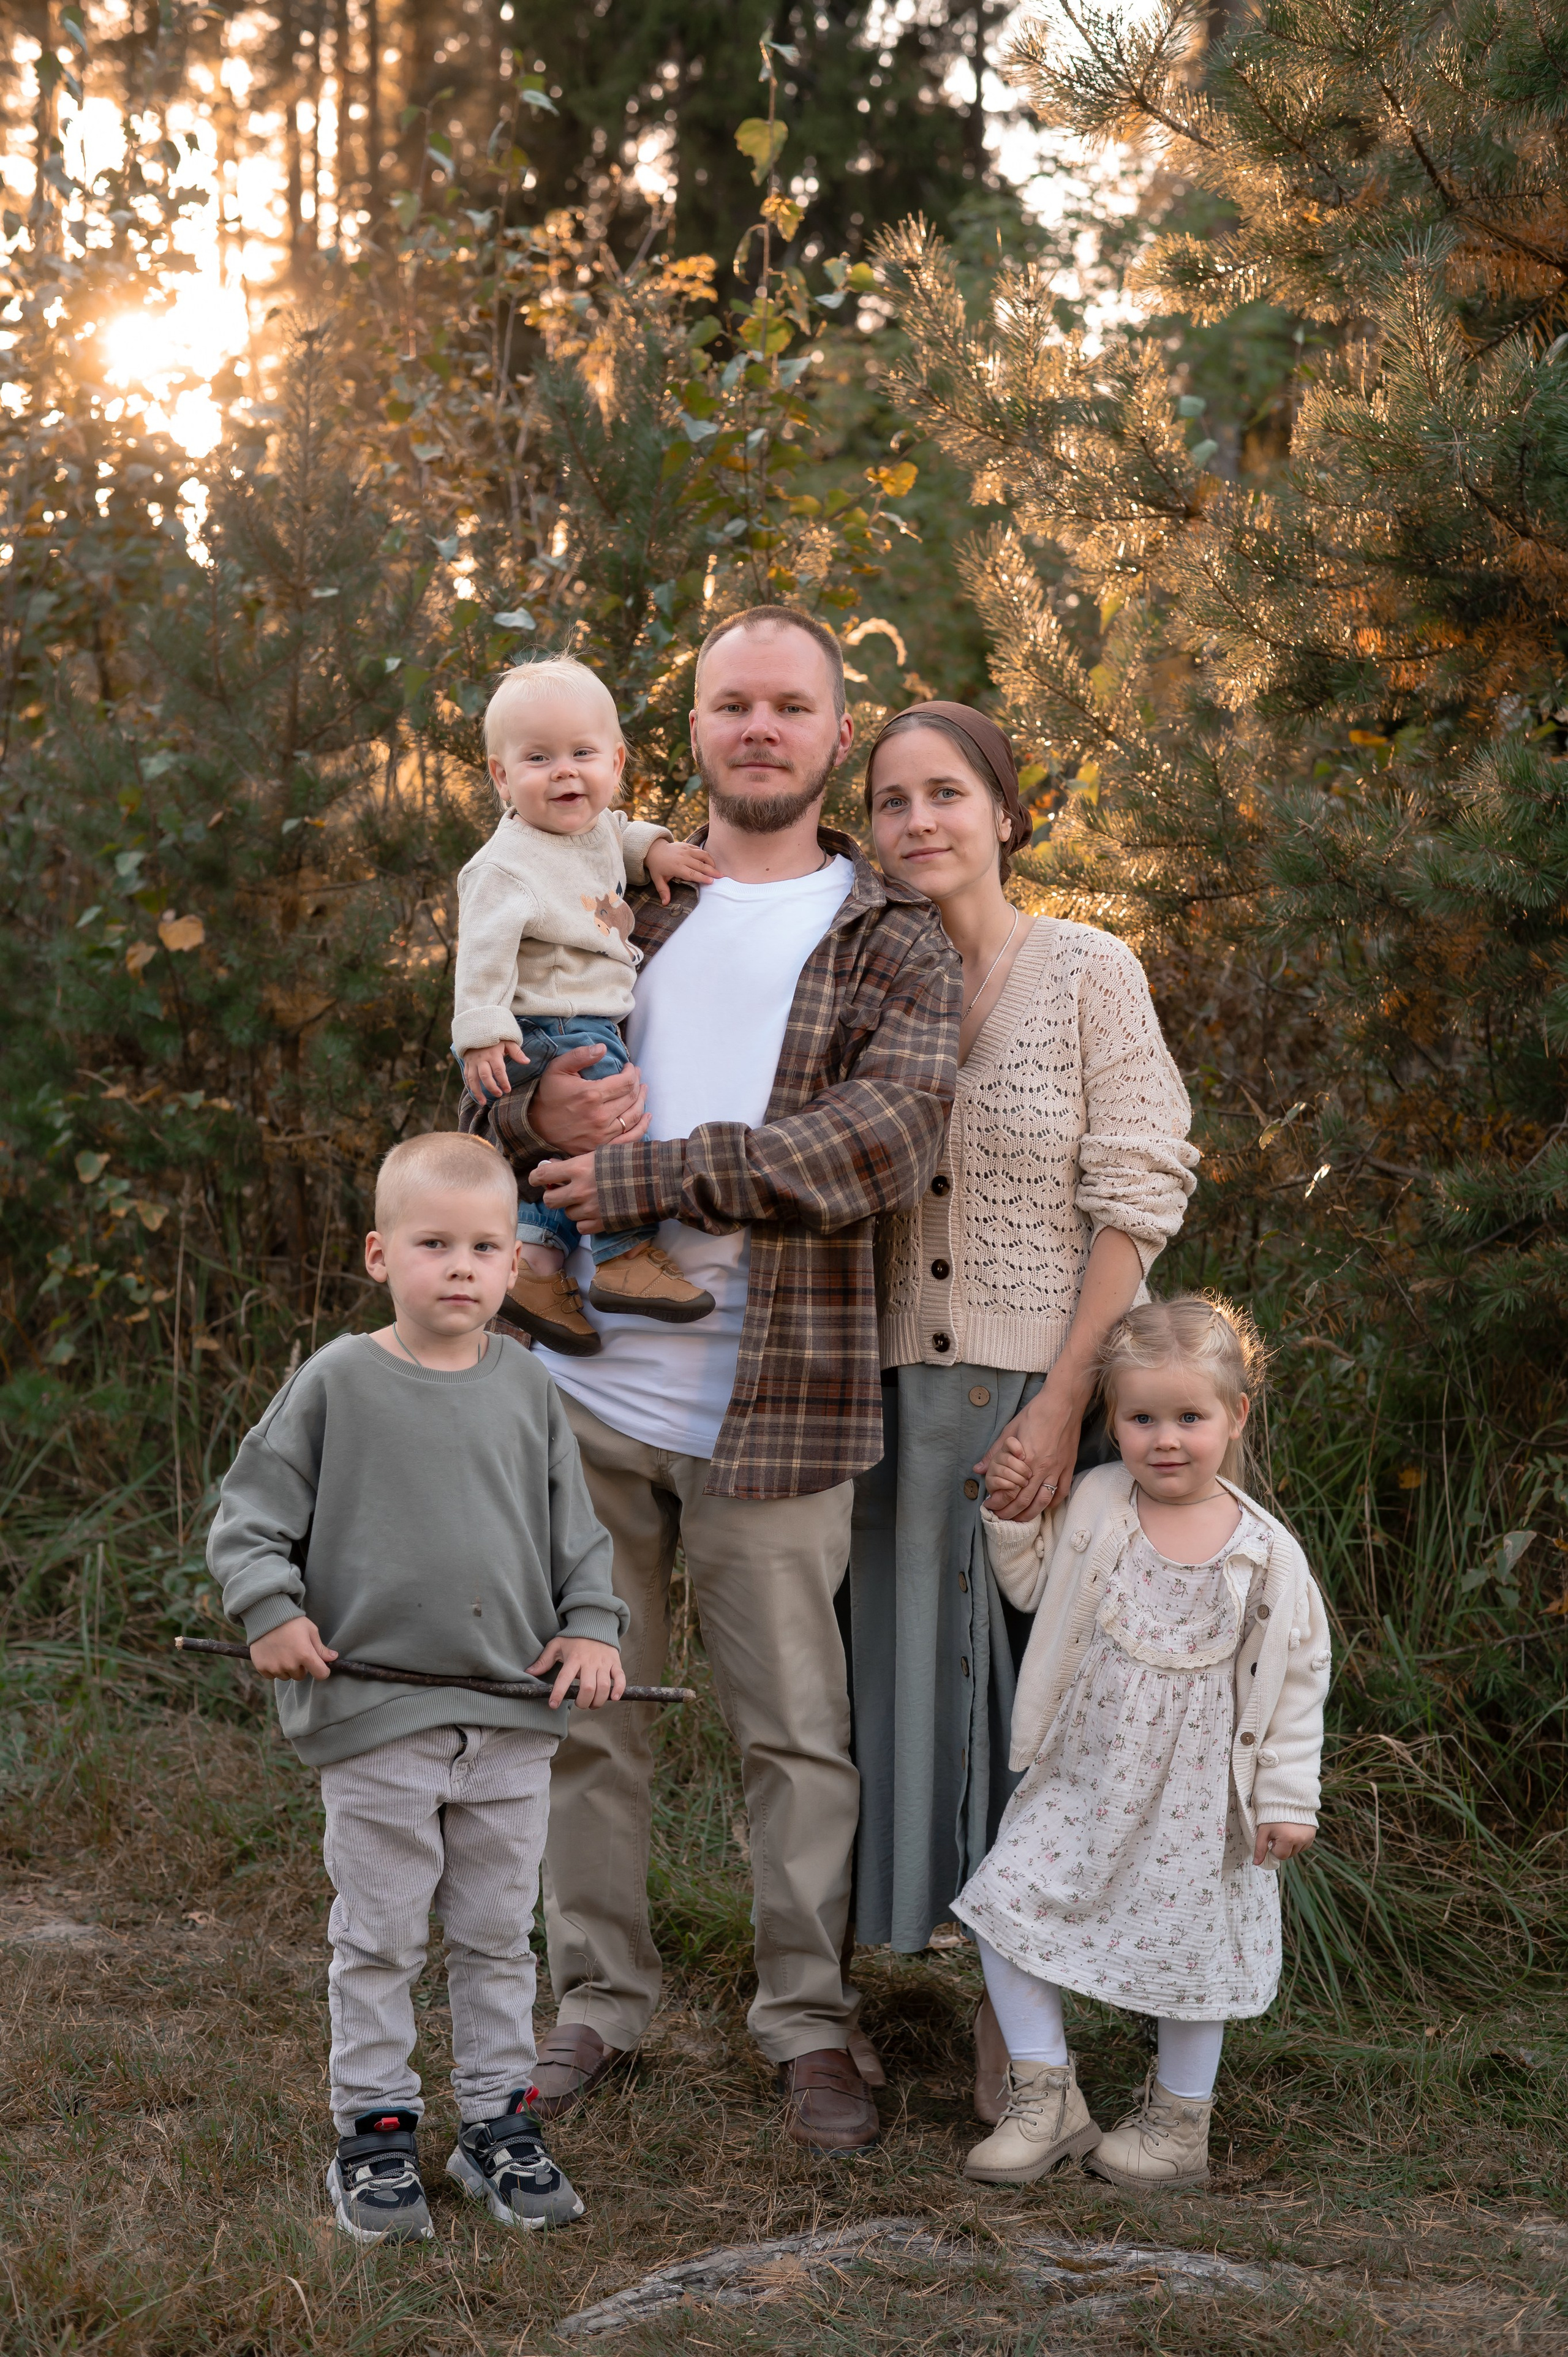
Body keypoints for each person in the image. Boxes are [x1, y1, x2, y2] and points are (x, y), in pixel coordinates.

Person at [459, 606, 959, 2154]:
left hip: (780, 1391)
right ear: (691, 728)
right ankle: (596, 1998)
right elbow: (489, 1101)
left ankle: (806, 2021)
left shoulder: (888, 932)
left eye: (789, 707)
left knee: (792, 1731)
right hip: (583, 1385)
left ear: (829, 732)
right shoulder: (622, 885)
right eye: (731, 703)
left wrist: (658, 1173)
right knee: (582, 1718)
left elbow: (884, 1138)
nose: (759, 727)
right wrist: (533, 1099)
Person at [851, 700, 1199, 2115]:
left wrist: (1063, 1402)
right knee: (891, 1709)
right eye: (888, 800)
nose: (918, 820)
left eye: (946, 793)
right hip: (880, 1400)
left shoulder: (1084, 970)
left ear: (1004, 811)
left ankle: (1026, 2043)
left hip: (1030, 1386)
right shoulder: (860, 974)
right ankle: (873, 1998)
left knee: (1032, 1723)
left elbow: (1138, 1189)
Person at [205, 1131, 629, 2242]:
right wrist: (273, 1608)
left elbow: (578, 1539)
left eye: (487, 1246)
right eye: (434, 1243)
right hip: (376, 1715)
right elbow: (249, 1516)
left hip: (509, 1719)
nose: (463, 1267)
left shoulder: (531, 1388)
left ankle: (497, 2118)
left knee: (497, 1931)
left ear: (513, 1263)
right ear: (379, 1253)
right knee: (383, 1930)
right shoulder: (341, 1379)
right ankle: (377, 2130)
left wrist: (591, 1627)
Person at [954, 1295, 1330, 2191]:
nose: (1167, 1440)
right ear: (1114, 1422)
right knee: (1004, 1906)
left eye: (1190, 1418)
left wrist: (1285, 1800)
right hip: (1085, 1777)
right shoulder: (1096, 1501)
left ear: (1235, 1416)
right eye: (1142, 1418)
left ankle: (1176, 2128)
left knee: (1193, 1953)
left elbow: (1299, 1682)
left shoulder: (1268, 1557)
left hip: (1202, 1803)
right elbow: (1034, 1585)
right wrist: (1011, 1520)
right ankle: (1045, 2095)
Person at [452, 655, 720, 1348]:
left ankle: (535, 1264)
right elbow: (480, 952)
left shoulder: (591, 827)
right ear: (501, 775)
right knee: (615, 1132)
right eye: (538, 757)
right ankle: (623, 1257)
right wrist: (480, 1030)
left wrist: (655, 850)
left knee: (564, 1159)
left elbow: (619, 833)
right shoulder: (504, 864)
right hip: (551, 1025)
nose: (565, 772)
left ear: (616, 761)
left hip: (585, 1019)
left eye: (582, 753)